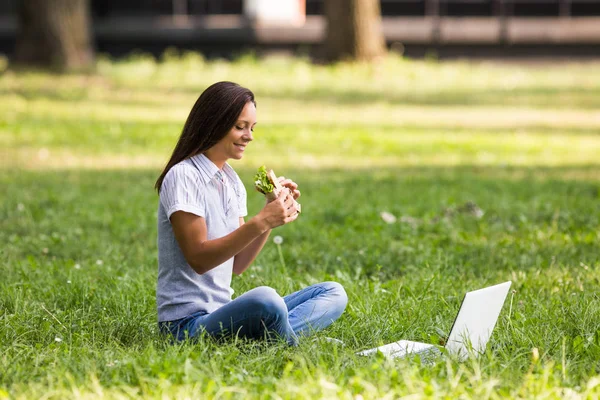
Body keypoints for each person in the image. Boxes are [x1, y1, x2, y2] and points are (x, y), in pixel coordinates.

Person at [155, 81, 347, 345]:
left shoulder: (231, 181)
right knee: (266, 300)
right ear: (214, 123)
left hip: (224, 314)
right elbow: (199, 259)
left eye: (252, 128)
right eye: (240, 127)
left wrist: (269, 213)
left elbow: (238, 264)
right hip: (186, 326)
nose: (249, 136)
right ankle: (293, 345)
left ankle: (272, 338)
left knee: (333, 292)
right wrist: (260, 221)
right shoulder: (183, 176)